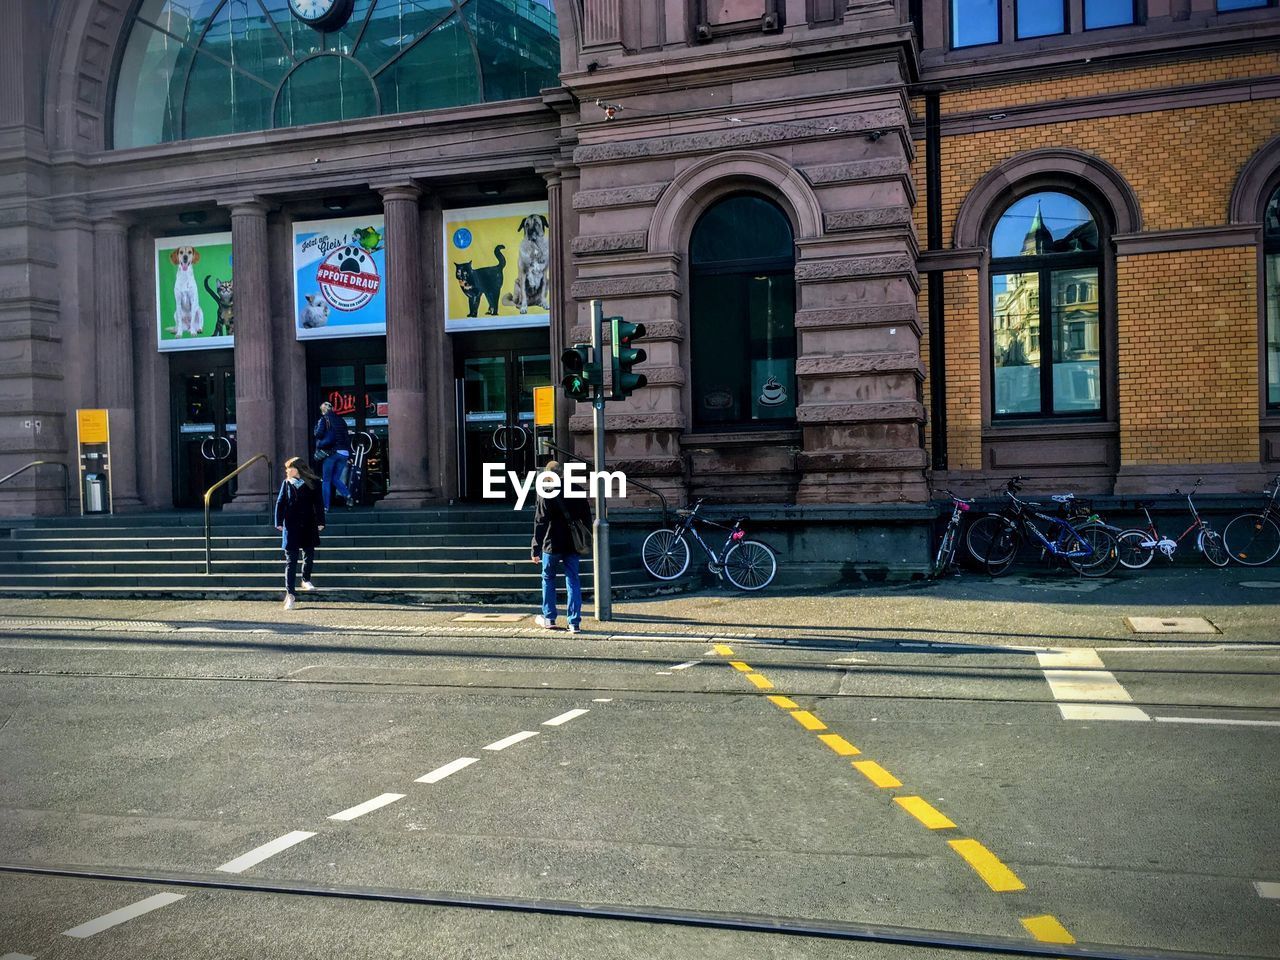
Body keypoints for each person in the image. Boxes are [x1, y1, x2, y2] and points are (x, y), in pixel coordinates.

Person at [530, 461, 592, 633]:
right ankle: (574, 622)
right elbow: (586, 518)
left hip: (551, 543)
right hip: (572, 543)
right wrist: (586, 540)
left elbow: (540, 522)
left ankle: (549, 618)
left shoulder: (546, 492)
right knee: (573, 579)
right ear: (563, 473)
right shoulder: (577, 490)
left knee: (548, 578)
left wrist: (535, 548)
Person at [275, 456, 325, 611]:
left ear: (297, 468)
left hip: (309, 523)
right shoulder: (287, 483)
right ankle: (290, 594)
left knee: (309, 552)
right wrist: (278, 521)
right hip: (291, 525)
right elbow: (280, 502)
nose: (287, 471)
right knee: (291, 560)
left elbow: (319, 502)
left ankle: (306, 579)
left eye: (289, 467)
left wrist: (321, 522)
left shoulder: (313, 483)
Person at [313, 401, 352, 510]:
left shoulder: (324, 419)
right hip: (344, 453)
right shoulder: (341, 420)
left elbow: (319, 434)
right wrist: (350, 455)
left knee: (326, 480)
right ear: (333, 409)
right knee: (335, 478)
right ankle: (347, 494)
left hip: (331, 452)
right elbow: (346, 437)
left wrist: (316, 429)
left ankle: (325, 506)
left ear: (323, 410)